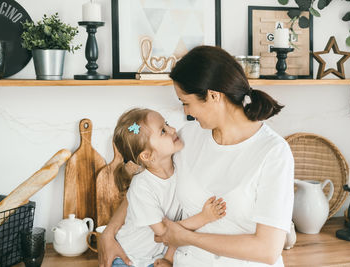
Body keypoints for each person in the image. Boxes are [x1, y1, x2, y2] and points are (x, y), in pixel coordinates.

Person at [99, 46, 294, 267]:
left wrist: (188, 238)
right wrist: (109, 233)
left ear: (213, 96)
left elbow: (267, 250)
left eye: (186, 102)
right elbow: (148, 184)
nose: (185, 112)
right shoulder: (187, 138)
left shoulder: (273, 152)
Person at [109, 108, 226, 267]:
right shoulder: (142, 187)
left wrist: (168, 258)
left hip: (155, 259)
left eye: (168, 124)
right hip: (128, 259)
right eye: (163, 131)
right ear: (147, 156)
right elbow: (164, 233)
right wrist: (204, 217)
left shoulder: (180, 168)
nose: (172, 130)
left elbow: (175, 227)